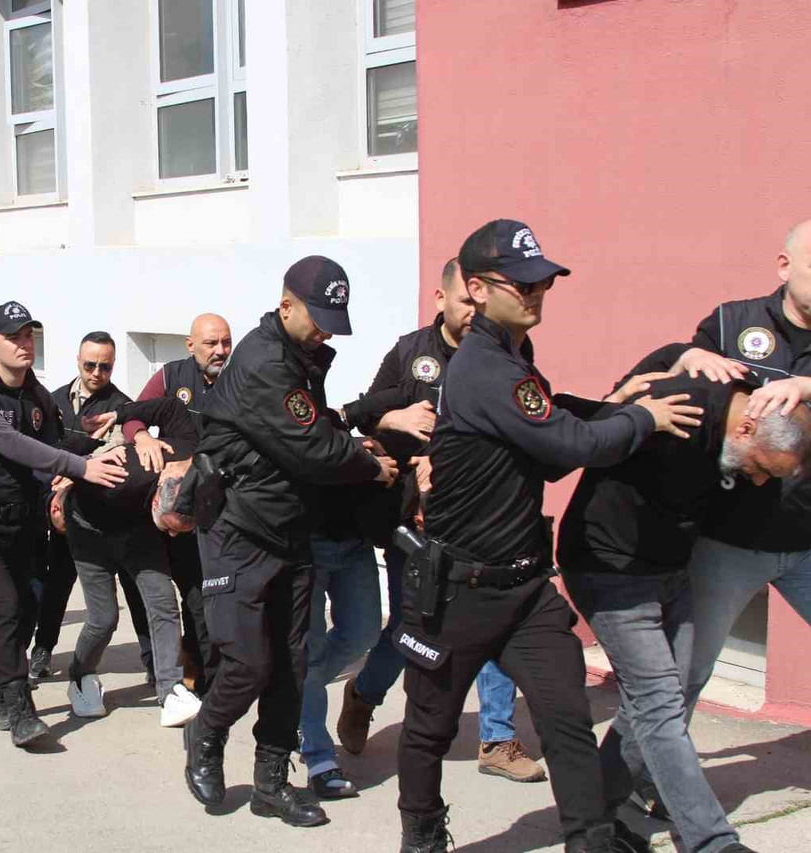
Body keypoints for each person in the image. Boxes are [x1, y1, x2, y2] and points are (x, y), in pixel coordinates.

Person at [392, 220, 700, 853]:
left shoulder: (511, 355)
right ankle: (422, 833)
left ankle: (590, 840)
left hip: (525, 587)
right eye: (523, 283)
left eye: (544, 283)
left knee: (566, 721)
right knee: (429, 727)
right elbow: (569, 446)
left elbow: (549, 425)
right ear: (476, 289)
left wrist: (612, 403)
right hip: (458, 593)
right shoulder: (483, 367)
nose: (537, 294)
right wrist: (642, 417)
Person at [558, 350, 809, 853]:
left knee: (649, 706)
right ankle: (713, 842)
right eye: (760, 469)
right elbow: (579, 432)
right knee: (660, 706)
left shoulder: (750, 394)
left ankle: (593, 819)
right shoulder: (677, 409)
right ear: (743, 432)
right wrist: (637, 398)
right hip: (613, 571)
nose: (758, 482)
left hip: (670, 571)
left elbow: (693, 356)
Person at [183, 257, 396, 828]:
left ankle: (271, 783)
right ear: (286, 306)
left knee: (292, 665)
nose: (326, 330)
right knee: (248, 664)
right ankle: (206, 734)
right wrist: (370, 467)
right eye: (318, 317)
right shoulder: (265, 362)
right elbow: (314, 449)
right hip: (238, 531)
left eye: (334, 318)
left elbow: (316, 430)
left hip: (290, 528)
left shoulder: (300, 358)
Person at [336, 258, 547, 784]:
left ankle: (497, 737)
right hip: (416, 523)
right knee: (412, 629)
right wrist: (393, 418)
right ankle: (364, 693)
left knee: (497, 620)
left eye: (481, 303)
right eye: (465, 303)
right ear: (440, 299)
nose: (475, 313)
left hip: (487, 522)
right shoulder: (410, 353)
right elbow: (361, 414)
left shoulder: (511, 352)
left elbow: (525, 420)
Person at [0, 301, 127, 748]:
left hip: (24, 523)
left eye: (29, 336)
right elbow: (15, 445)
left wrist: (117, 435)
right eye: (15, 337)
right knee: (6, 607)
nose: (25, 344)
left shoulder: (37, 395)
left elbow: (55, 441)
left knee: (28, 607)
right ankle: (20, 705)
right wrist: (80, 466)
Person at [659, 221, 811, 735]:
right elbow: (689, 396)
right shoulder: (732, 323)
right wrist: (688, 355)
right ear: (785, 266)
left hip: (808, 543)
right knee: (685, 672)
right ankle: (644, 780)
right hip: (728, 541)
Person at [52, 395, 203, 727]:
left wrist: (128, 419)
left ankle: (170, 688)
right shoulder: (123, 474)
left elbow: (169, 408)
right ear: (159, 497)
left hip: (138, 530)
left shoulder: (190, 452)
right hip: (89, 532)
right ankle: (80, 676)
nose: (174, 535)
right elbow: (69, 468)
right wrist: (62, 486)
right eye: (172, 527)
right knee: (104, 618)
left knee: (163, 605)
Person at [29, 331, 155, 683]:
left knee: (134, 590)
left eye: (105, 366)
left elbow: (122, 462)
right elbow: (38, 455)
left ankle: (151, 659)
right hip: (59, 514)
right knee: (57, 586)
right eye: (90, 365)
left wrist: (75, 475)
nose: (97, 372)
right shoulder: (52, 402)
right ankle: (43, 649)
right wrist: (51, 496)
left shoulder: (122, 408)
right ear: (78, 362)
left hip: (105, 517)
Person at [121, 313, 234, 692]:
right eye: (210, 343)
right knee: (177, 596)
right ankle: (179, 667)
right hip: (176, 511)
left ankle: (210, 675)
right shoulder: (170, 377)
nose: (220, 351)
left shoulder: (243, 382)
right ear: (190, 345)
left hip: (224, 508)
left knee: (210, 598)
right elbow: (134, 415)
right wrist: (143, 439)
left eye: (225, 342)